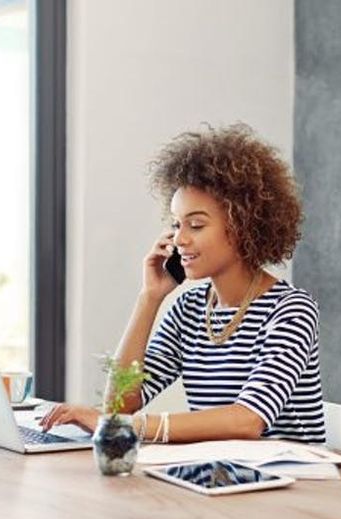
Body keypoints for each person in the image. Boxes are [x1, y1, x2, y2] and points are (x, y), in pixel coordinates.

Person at [41, 123, 324, 443]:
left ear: (245, 226)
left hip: (290, 482)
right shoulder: (189, 309)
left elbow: (247, 420)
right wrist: (149, 299)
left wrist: (129, 427)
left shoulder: (291, 311)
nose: (179, 238)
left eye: (196, 225)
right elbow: (120, 405)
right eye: (176, 224)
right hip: (218, 477)